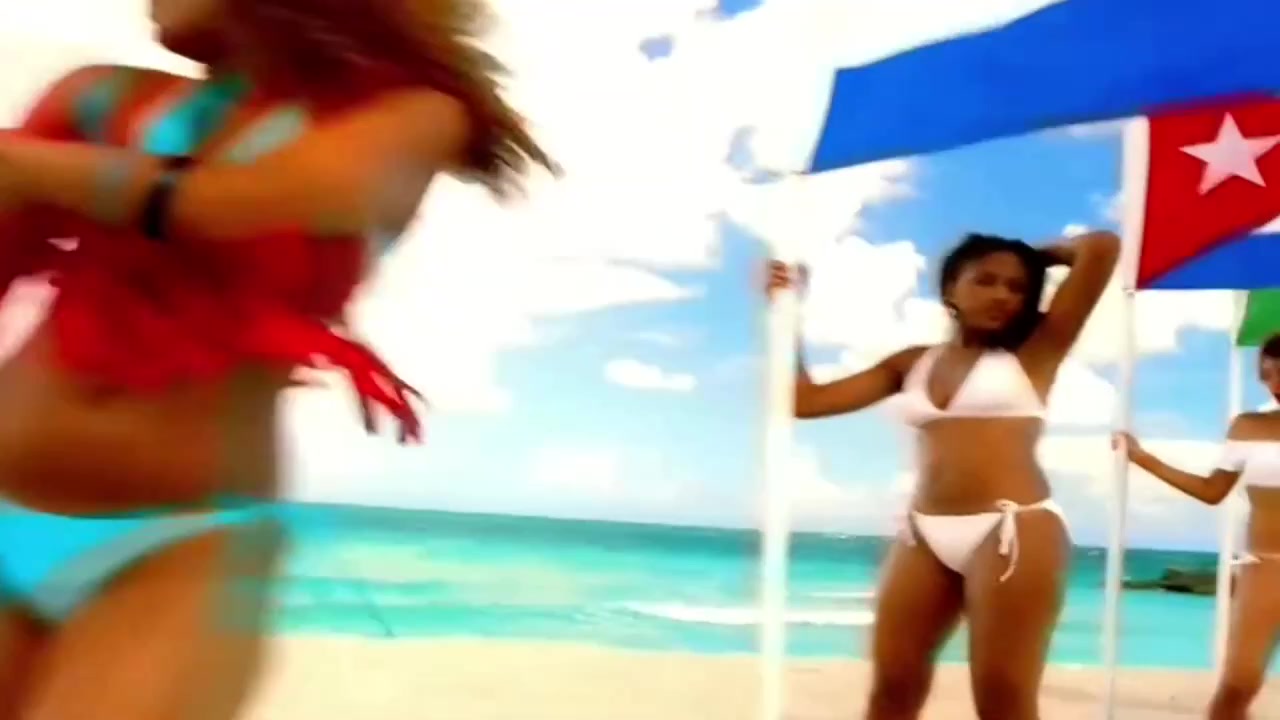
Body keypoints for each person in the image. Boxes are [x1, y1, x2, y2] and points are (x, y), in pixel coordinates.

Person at [0, 0, 554, 717]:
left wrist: (29, 164)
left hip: (173, 547)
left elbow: (246, 202)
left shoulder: (416, 118)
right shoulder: (96, 94)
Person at [766, 230, 1118, 719]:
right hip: (924, 534)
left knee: (1003, 701)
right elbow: (805, 401)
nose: (1002, 294)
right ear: (950, 288)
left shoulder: (1037, 351)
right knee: (892, 689)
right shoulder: (912, 363)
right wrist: (787, 314)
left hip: (1012, 530)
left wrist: (1034, 258)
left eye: (1017, 287)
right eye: (985, 280)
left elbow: (1102, 247)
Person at [1117, 333, 1280, 720]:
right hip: (1267, 566)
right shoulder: (1248, 427)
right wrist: (1143, 459)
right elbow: (1212, 491)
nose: (1274, 384)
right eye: (1267, 374)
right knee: (1237, 686)